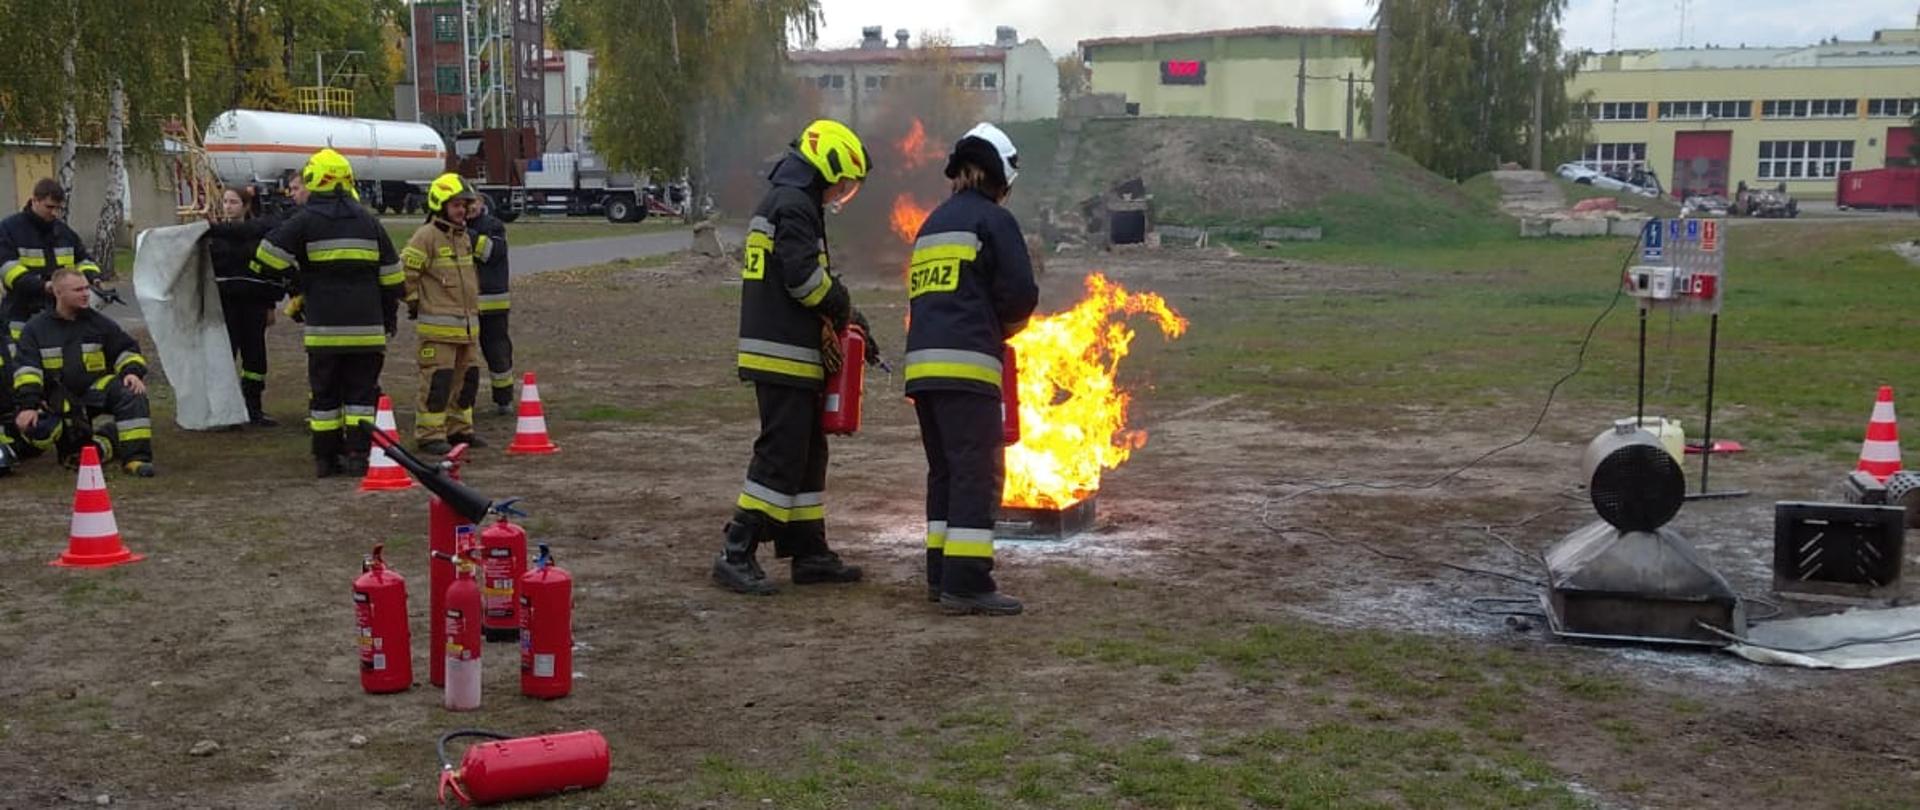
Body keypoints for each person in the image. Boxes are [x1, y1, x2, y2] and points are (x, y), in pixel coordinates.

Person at [713, 119, 877, 595]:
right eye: (842, 183)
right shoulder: (794, 205)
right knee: (781, 455)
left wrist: (850, 318)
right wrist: (843, 305)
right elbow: (805, 281)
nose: (841, 194)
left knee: (807, 455)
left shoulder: (790, 201)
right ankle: (736, 550)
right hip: (782, 353)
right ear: (825, 167)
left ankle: (808, 552)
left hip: (789, 351)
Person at [905, 123, 1039, 616]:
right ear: (999, 175)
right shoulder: (993, 221)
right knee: (975, 473)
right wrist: (1000, 329)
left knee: (944, 472)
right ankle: (967, 582)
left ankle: (940, 576)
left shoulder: (931, 224)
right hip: (968, 368)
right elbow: (1020, 295)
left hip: (924, 372)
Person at [252, 149, 404, 478]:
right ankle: (359, 456)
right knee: (361, 396)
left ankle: (326, 458)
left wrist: (299, 280)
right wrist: (388, 315)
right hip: (367, 329)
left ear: (314, 180)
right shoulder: (369, 221)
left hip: (324, 330)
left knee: (325, 396)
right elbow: (393, 277)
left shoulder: (304, 220)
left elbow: (266, 255)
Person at [11, 269, 155, 476]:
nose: (86, 294)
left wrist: (131, 372)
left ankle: (136, 459)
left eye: (86, 288)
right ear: (58, 293)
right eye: (78, 290)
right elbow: (27, 370)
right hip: (56, 401)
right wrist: (28, 406)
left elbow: (126, 350)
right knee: (46, 435)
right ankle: (99, 440)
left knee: (131, 393)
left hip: (93, 391)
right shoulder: (35, 329)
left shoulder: (99, 323)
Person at [400, 173, 485, 454]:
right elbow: (405, 274)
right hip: (438, 331)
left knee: (467, 381)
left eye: (465, 205)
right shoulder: (426, 236)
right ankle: (430, 434)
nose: (463, 210)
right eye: (456, 205)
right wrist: (415, 302)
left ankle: (459, 430)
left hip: (467, 328)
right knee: (438, 383)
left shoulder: (463, 237)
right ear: (440, 204)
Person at [205, 186, 288, 426]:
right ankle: (224, 412)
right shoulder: (213, 236)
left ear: (246, 206)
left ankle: (253, 409)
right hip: (226, 306)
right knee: (224, 357)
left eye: (233, 202)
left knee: (255, 358)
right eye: (225, 202)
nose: (228, 207)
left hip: (253, 304)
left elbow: (271, 271)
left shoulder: (259, 234)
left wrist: (270, 305)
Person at [1, 179, 110, 343]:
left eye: (58, 208)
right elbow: (8, 269)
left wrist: (93, 277)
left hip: (60, 311)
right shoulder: (10, 229)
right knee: (21, 354)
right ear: (34, 201)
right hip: (22, 311)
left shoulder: (64, 232)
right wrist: (43, 286)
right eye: (49, 207)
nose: (54, 213)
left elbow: (83, 260)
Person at [467, 195, 515, 415]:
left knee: (498, 351)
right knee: (465, 355)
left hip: (492, 302)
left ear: (482, 203)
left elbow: (490, 253)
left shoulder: (493, 225)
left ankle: (504, 398)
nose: (469, 208)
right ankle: (464, 401)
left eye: (473, 203)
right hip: (464, 304)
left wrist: (465, 234)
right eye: (465, 204)